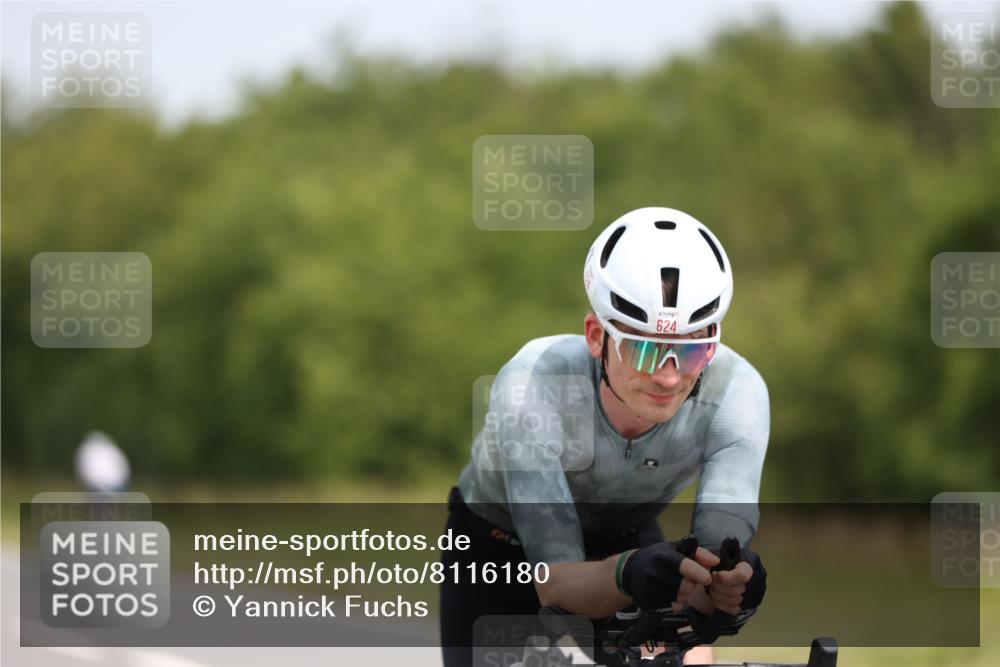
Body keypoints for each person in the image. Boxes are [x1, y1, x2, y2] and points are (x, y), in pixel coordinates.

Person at [439, 207, 769, 666]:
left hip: (628, 540)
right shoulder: (533, 383)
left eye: (691, 351)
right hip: (500, 547)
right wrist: (627, 572)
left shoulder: (738, 392)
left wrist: (732, 587)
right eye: (644, 348)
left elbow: (710, 575)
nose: (668, 378)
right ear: (597, 336)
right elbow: (556, 583)